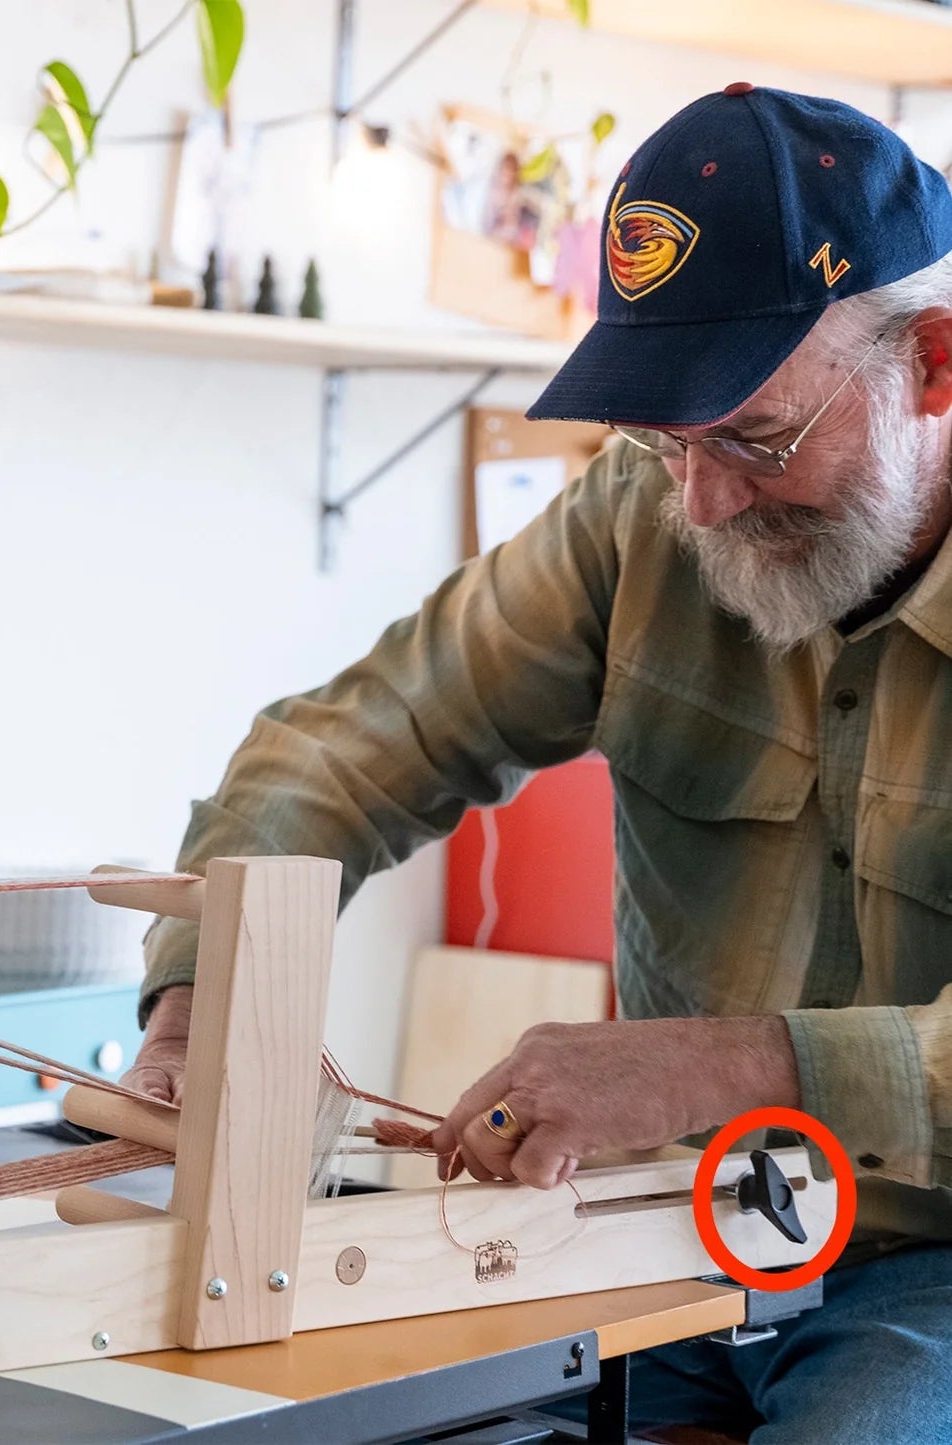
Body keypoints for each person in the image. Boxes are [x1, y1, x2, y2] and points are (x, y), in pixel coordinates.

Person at [123, 84, 952, 1442]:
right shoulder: (649, 516)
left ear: (931, 363)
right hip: (668, 1225)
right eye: (659, 439)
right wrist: (202, 997)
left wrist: (728, 1064)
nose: (697, 505)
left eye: (752, 438)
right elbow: (352, 742)